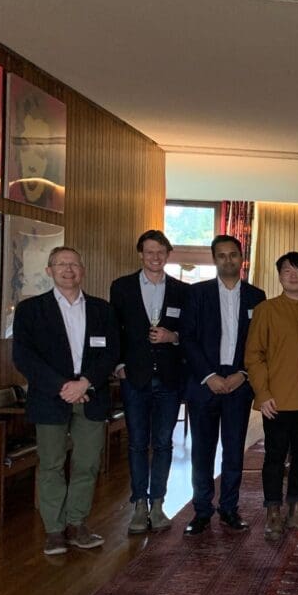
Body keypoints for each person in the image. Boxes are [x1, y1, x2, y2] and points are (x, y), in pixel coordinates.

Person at [13, 246, 119, 555]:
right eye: (60, 264)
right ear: (49, 271)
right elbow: (24, 357)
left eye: (73, 264)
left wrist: (85, 381)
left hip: (92, 394)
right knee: (51, 464)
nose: (68, 269)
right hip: (50, 397)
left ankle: (77, 524)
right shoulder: (31, 310)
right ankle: (55, 530)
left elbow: (111, 352)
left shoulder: (102, 310)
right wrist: (64, 386)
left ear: (82, 270)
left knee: (87, 464)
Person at [181, 235, 266, 536]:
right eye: (221, 255)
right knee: (202, 451)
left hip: (239, 383)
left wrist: (243, 373)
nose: (228, 260)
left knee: (233, 451)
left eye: (233, 255)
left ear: (241, 258)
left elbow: (259, 343)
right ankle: (202, 510)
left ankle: (229, 508)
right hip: (205, 382)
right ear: (214, 259)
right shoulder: (197, 293)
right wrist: (209, 376)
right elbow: (187, 338)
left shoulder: (257, 296)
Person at [109, 229, 187, 535]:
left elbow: (191, 333)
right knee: (138, 443)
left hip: (169, 379)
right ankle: (139, 504)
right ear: (140, 254)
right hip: (135, 378)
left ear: (168, 255)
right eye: (149, 251)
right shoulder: (122, 287)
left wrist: (174, 337)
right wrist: (117, 365)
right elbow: (114, 329)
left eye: (161, 252)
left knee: (164, 443)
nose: (155, 257)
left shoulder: (182, 290)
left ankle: (158, 503)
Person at [244, 251, 298, 542]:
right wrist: (263, 394)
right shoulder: (266, 310)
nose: (293, 276)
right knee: (275, 458)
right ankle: (272, 512)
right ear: (279, 275)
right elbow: (254, 356)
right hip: (275, 402)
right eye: (288, 271)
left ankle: (297, 510)